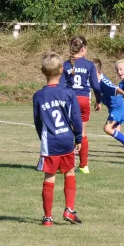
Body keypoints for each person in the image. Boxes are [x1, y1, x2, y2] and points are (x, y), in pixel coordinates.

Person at [34, 52, 83, 226]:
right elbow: (75, 118)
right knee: (69, 172)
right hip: (66, 139)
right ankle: (69, 210)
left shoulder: (38, 96)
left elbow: (38, 122)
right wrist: (78, 137)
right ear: (62, 70)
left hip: (51, 142)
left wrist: (43, 139)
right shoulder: (68, 93)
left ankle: (48, 217)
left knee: (50, 177)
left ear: (42, 71)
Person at [59, 36, 102, 174]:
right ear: (83, 49)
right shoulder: (89, 65)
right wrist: (99, 100)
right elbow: (96, 85)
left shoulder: (66, 64)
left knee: (66, 132)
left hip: (70, 101)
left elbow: (60, 86)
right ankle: (84, 166)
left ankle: (65, 165)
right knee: (82, 133)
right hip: (84, 100)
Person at [92, 58, 124, 160]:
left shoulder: (103, 81)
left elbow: (115, 88)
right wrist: (98, 102)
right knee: (115, 132)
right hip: (113, 108)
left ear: (95, 71)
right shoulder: (94, 81)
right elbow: (97, 92)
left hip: (117, 107)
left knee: (107, 128)